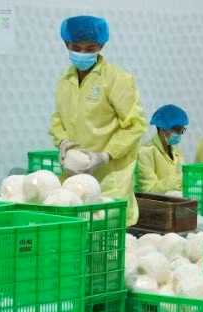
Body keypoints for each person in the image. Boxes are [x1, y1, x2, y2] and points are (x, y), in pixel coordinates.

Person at [50, 15, 148, 226]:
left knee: (105, 238)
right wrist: (62, 142)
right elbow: (58, 119)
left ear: (101, 46)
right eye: (77, 47)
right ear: (66, 44)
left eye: (90, 48)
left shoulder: (116, 79)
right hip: (74, 178)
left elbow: (135, 125)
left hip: (109, 179)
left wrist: (104, 156)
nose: (83, 53)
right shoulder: (65, 80)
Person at [136, 105, 188, 193]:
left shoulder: (178, 154)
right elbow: (150, 190)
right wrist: (180, 179)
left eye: (181, 130)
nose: (178, 134)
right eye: (176, 129)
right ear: (161, 127)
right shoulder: (145, 152)